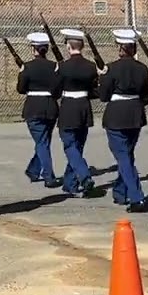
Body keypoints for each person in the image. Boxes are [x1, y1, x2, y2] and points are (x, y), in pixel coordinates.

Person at [97, 28, 148, 212]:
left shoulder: (111, 68)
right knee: (126, 155)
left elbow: (103, 96)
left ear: (120, 48)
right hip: (135, 114)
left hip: (116, 115)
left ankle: (137, 197)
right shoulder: (143, 69)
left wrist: (102, 78)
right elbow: (146, 97)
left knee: (123, 157)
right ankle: (120, 192)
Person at [54, 28, 100, 197]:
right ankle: (70, 183)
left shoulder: (62, 67)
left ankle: (85, 176)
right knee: (78, 146)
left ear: (68, 47)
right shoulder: (90, 66)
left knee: (69, 145)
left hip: (68, 107)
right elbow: (95, 90)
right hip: (84, 106)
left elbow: (55, 90)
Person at [16, 31, 62, 188]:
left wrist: (22, 75)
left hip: (33, 107)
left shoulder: (27, 67)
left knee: (42, 142)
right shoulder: (54, 66)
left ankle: (48, 176)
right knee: (43, 141)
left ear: (34, 49)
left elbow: (21, 89)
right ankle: (33, 170)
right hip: (50, 106)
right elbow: (57, 90)